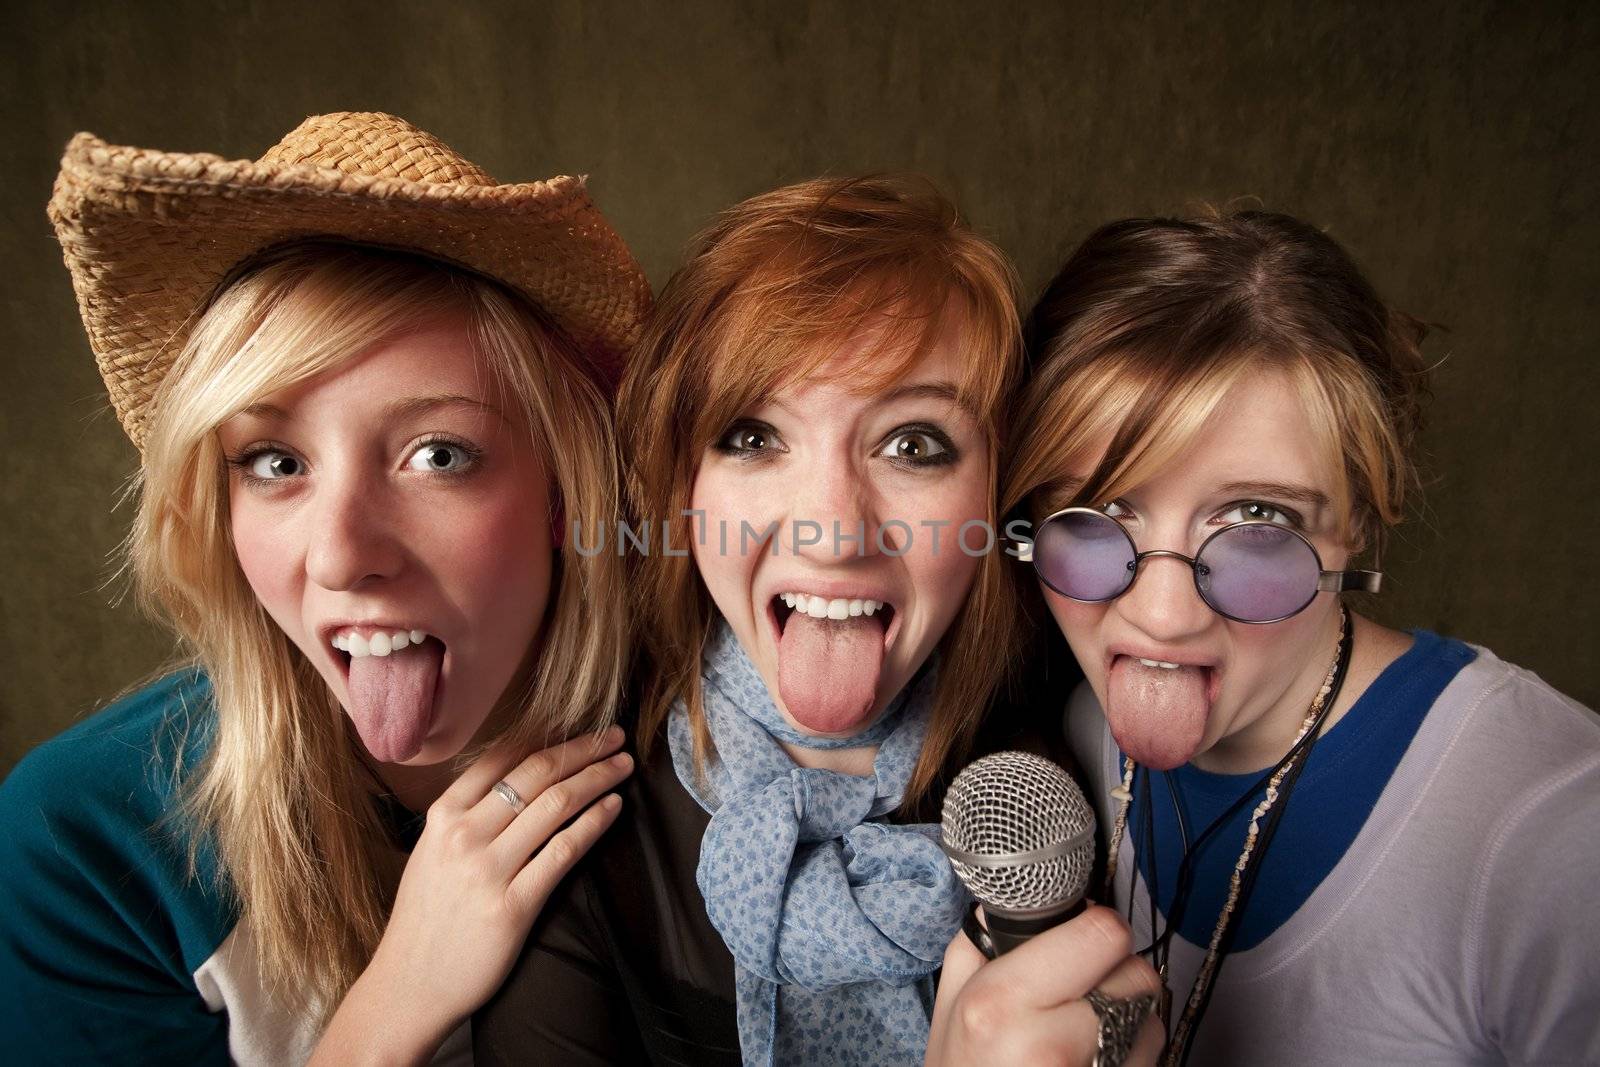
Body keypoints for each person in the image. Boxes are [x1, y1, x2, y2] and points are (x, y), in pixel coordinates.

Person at [0, 112, 652, 1064]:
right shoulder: (86, 840)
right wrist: (397, 1003)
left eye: (439, 454)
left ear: (564, 489)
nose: (342, 556)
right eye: (273, 461)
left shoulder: (721, 759)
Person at [475, 176, 1111, 1066]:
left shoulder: (1064, 781)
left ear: (998, 494)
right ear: (680, 484)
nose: (834, 530)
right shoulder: (576, 826)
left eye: (914, 444)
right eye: (752, 435)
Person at [948, 208, 1600, 1065]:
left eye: (1258, 518)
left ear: (1360, 517)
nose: (1163, 614)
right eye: (1100, 512)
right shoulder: (1076, 734)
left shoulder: (1554, 834)